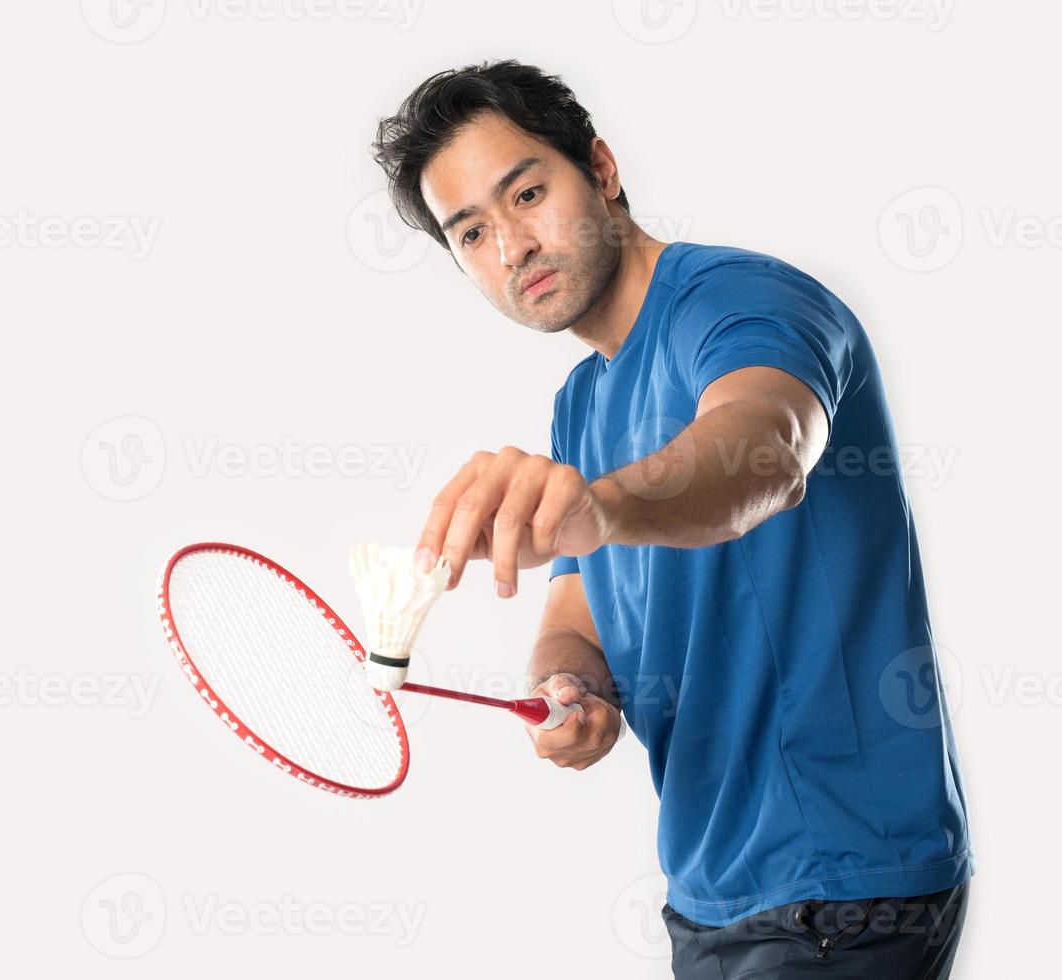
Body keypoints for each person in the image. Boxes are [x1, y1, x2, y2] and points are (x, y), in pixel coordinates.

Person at [371, 60, 973, 978]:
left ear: (602, 168)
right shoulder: (582, 402)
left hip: (841, 891)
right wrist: (572, 690)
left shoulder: (741, 302)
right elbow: (577, 618)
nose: (513, 247)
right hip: (708, 894)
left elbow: (766, 451)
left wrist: (601, 505)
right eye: (473, 232)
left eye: (527, 193)